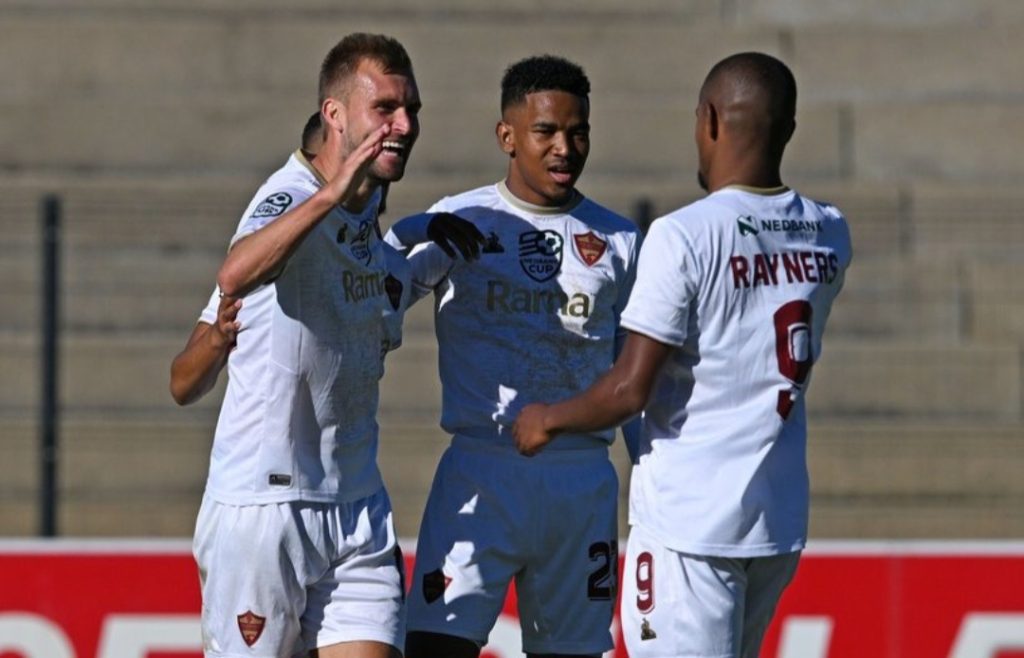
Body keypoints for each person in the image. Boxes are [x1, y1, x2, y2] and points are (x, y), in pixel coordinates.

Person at [512, 52, 853, 658]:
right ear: (790, 130)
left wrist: (547, 419)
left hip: (690, 524)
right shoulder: (829, 231)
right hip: (774, 520)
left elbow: (628, 390)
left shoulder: (685, 234)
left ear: (711, 120)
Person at [175, 33, 485, 658]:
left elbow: (375, 290)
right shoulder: (289, 196)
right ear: (335, 114)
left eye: (412, 110)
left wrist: (426, 232)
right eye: (387, 109)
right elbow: (232, 280)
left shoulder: (361, 220)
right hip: (267, 509)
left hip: (356, 506)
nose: (404, 125)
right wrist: (329, 193)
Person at [385, 55, 642, 658]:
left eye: (578, 132)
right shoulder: (463, 219)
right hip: (482, 467)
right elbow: (380, 302)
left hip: (579, 477)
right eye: (545, 131)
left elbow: (636, 374)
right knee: (433, 647)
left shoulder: (621, 240)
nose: (564, 148)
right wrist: (405, 233)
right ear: (507, 136)